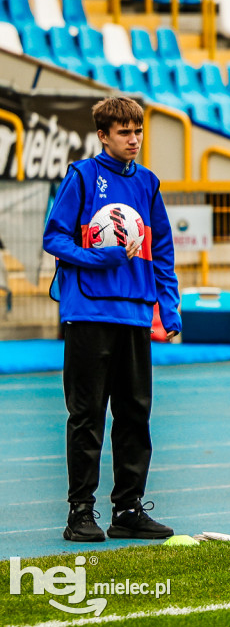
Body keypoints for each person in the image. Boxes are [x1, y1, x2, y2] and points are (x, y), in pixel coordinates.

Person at [43, 96, 180, 543]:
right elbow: (53, 237)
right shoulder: (82, 177)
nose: (133, 139)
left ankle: (128, 509)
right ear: (103, 136)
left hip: (136, 314)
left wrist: (169, 305)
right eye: (124, 132)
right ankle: (80, 512)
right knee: (86, 415)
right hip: (89, 310)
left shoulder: (149, 183)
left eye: (138, 131)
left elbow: (161, 251)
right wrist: (95, 257)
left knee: (135, 414)